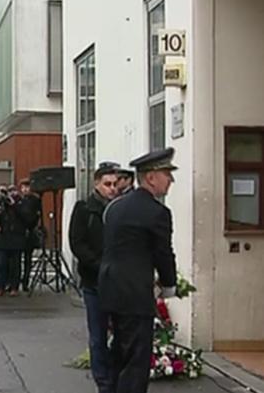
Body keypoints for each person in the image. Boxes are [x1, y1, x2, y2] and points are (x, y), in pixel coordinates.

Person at [99, 148, 178, 393]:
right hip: (135, 293)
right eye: (167, 173)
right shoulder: (157, 213)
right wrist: (169, 285)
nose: (171, 180)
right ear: (151, 177)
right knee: (136, 361)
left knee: (119, 353)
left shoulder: (116, 207)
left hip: (111, 288)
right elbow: (163, 253)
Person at [69, 162, 120, 393]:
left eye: (115, 184)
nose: (112, 188)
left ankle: (115, 374)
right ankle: (103, 382)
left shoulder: (120, 209)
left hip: (119, 283)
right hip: (94, 281)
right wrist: (99, 266)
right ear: (96, 184)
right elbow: (77, 243)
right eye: (107, 184)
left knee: (121, 334)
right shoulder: (84, 209)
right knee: (98, 336)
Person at [0, 185, 32, 297]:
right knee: (1, 264)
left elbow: (27, 218)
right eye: (9, 192)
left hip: (17, 237)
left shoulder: (22, 203)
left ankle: (14, 287)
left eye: (13, 191)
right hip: (4, 237)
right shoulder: (3, 203)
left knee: (15, 264)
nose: (11, 194)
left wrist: (14, 205)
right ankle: (0, 286)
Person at [18, 179, 42, 291]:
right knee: (16, 259)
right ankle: (15, 281)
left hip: (30, 231)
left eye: (27, 187)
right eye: (23, 187)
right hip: (19, 231)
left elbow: (38, 215)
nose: (25, 189)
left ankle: (26, 281)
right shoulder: (18, 200)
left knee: (28, 258)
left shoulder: (35, 200)